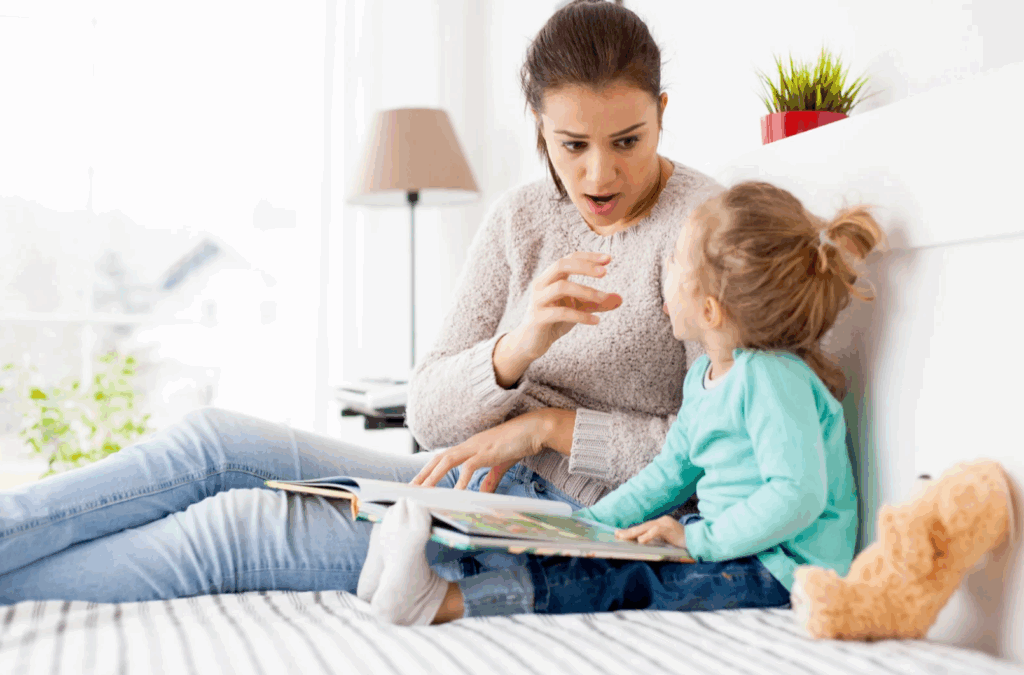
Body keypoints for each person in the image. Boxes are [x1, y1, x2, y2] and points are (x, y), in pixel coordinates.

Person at [0, 0, 722, 604]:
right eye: (572, 145)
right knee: (211, 440)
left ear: (662, 112)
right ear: (538, 126)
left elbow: (716, 453)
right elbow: (428, 412)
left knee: (230, 533)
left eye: (628, 139)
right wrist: (515, 349)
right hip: (473, 482)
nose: (600, 173)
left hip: (576, 521)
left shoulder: (707, 228)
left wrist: (550, 427)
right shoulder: (522, 217)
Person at [357, 181, 886, 626]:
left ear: (708, 308)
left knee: (623, 578)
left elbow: (798, 495)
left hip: (783, 570)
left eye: (675, 263)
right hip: (737, 549)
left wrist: (698, 539)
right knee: (596, 556)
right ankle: (408, 581)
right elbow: (669, 472)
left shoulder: (772, 379)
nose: (663, 275)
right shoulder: (706, 375)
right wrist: (589, 527)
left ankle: (443, 603)